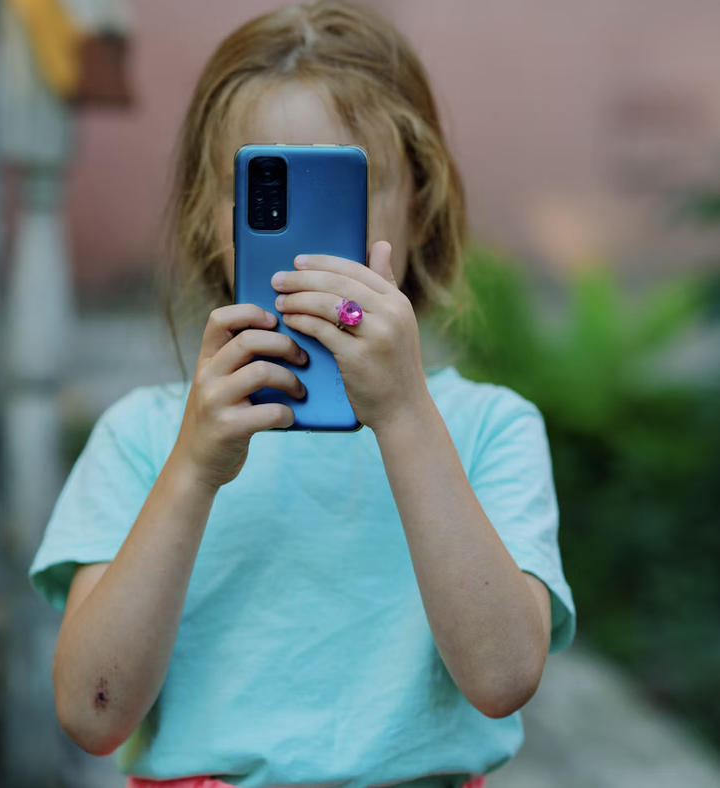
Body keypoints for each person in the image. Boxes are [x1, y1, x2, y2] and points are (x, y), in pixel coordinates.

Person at [28, 3, 576, 788]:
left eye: (346, 190)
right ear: (211, 218)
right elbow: (93, 710)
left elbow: (501, 681)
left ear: (419, 203)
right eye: (264, 189)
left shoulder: (490, 429)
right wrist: (191, 471)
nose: (316, 244)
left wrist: (402, 413)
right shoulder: (145, 438)